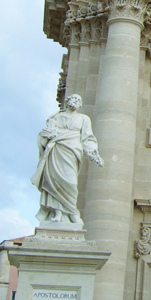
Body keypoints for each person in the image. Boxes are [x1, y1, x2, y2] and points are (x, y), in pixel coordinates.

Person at [30, 93, 104, 225]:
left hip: (73, 151)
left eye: (78, 100)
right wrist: (45, 136)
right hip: (57, 150)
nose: (75, 101)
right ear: (67, 102)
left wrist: (92, 151)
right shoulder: (56, 117)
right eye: (73, 99)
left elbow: (88, 137)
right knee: (55, 181)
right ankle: (58, 213)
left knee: (71, 182)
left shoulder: (83, 119)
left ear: (80, 104)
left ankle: (71, 211)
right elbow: (47, 133)